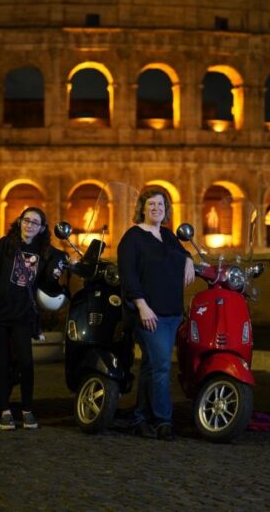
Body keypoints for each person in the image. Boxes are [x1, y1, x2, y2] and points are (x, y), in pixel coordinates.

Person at [117, 189, 195, 441]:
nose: (156, 208)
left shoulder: (168, 236)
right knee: (161, 366)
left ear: (166, 209)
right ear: (142, 208)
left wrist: (189, 260)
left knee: (151, 366)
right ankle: (163, 420)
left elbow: (182, 253)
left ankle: (140, 415)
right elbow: (128, 276)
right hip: (149, 313)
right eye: (151, 204)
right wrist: (142, 306)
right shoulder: (132, 238)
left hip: (172, 312)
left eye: (160, 204)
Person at [0, 207, 65, 431]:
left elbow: (59, 259)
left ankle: (27, 409)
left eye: (35, 223)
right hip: (0, 314)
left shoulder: (43, 250)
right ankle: (5, 411)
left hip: (22, 315)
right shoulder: (5, 244)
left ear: (42, 228)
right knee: (1, 363)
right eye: (27, 220)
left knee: (26, 363)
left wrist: (65, 263)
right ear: (19, 222)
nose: (30, 225)